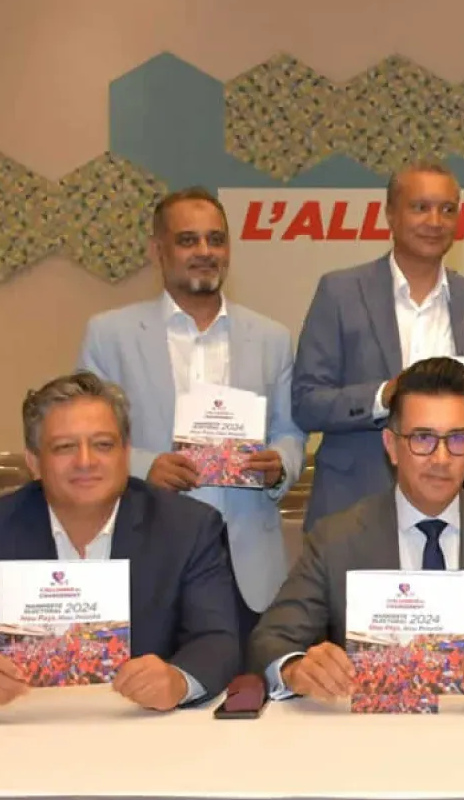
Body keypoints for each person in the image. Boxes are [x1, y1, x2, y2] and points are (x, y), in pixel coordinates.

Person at [249, 358, 464, 703]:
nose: (441, 458)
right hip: (368, 726)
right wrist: (295, 669)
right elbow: (271, 639)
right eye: (423, 438)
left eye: (457, 438)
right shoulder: (336, 537)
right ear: (391, 446)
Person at [0, 373, 241, 715]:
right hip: (16, 725)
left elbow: (217, 640)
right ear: (34, 462)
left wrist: (179, 680)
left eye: (103, 445)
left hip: (139, 724)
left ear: (125, 454)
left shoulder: (188, 528)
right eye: (64, 447)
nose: (85, 461)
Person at [77, 188, 306, 633]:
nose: (205, 251)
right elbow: (86, 436)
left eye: (215, 239)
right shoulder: (109, 335)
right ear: (157, 251)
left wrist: (280, 464)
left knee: (249, 676)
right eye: (187, 240)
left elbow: (290, 431)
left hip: (248, 563)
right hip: (149, 550)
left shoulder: (272, 337)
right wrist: (144, 466)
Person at [291, 160, 464, 529]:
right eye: (420, 207)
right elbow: (306, 403)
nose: (435, 221)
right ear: (390, 214)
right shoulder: (340, 292)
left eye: (447, 209)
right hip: (353, 505)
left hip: (446, 513)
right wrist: (384, 395)